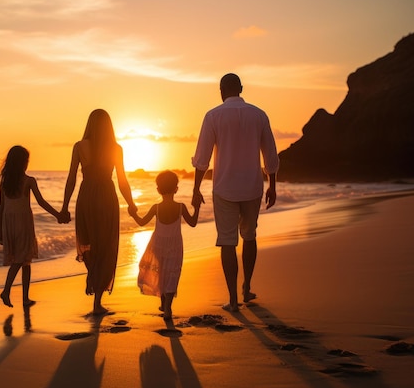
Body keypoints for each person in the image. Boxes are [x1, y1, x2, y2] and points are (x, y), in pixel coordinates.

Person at [191, 73, 279, 312]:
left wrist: (196, 189)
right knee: (249, 236)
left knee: (227, 242)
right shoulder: (259, 115)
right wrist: (272, 184)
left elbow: (202, 159)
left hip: (225, 188)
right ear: (241, 88)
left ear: (221, 90)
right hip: (252, 187)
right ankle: (247, 287)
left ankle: (232, 300)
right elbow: (270, 154)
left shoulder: (213, 116)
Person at [61, 109, 138, 315]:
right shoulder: (116, 148)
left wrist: (64, 206)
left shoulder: (79, 146)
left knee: (87, 241)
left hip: (86, 196)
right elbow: (122, 181)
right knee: (105, 245)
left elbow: (71, 179)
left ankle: (92, 275)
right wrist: (131, 204)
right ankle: (97, 300)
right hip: (106, 197)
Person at [0, 145, 66, 308]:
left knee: (25, 259)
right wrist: (58, 215)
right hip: (23, 224)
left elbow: (1, 208)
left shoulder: (5, 183)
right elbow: (41, 202)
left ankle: (25, 298)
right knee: (21, 259)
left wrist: (0, 231)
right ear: (22, 163)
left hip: (9, 224)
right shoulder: (29, 181)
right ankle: (6, 290)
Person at [130, 170, 199, 321]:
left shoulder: (156, 207)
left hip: (158, 244)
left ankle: (164, 305)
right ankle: (167, 306)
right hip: (175, 244)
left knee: (161, 272)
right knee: (172, 274)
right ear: (176, 188)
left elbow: (141, 222)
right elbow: (193, 223)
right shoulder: (181, 207)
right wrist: (197, 207)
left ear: (158, 189)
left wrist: (133, 213)